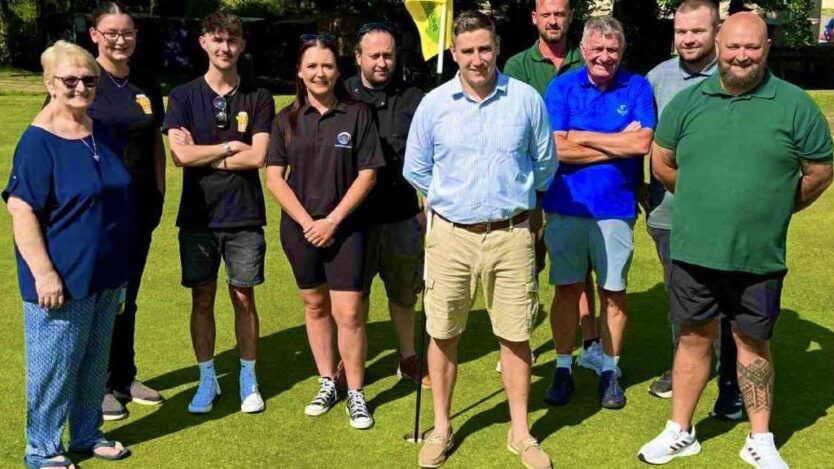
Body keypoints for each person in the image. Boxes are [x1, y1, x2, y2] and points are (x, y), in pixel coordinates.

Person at [638, 12, 833, 467]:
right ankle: (680, 431)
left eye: (752, 47)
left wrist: (773, 207)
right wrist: (704, 200)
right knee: (692, 337)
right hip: (693, 250)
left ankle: (759, 439)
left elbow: (819, 171)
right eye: (733, 46)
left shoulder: (795, 105)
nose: (741, 56)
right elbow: (661, 161)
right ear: (718, 47)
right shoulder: (688, 102)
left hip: (757, 255)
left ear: (767, 49)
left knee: (752, 342)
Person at [404, 11, 556, 469]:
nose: (477, 59)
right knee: (443, 333)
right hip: (450, 237)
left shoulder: (526, 100)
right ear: (454, 53)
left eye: (484, 49)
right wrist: (451, 202)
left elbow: (544, 165)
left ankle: (520, 432)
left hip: (512, 235)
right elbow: (417, 168)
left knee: (516, 335)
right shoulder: (434, 104)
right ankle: (442, 427)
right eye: (467, 51)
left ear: (497, 48)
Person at [5, 40, 131, 469]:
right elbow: (22, 210)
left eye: (89, 80)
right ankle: (41, 448)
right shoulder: (37, 142)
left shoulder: (99, 130)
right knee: (55, 367)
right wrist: (44, 273)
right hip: (61, 278)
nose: (80, 87)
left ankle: (86, 433)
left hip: (105, 272)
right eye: (70, 79)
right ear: (50, 83)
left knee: (93, 364)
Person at [265, 34, 384, 430]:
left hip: (345, 228)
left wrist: (331, 221)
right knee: (315, 306)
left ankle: (355, 391)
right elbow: (274, 178)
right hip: (300, 229)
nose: (320, 73)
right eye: (312, 66)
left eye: (327, 65)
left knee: (348, 312)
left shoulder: (358, 114)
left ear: (338, 70)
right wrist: (308, 223)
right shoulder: (286, 119)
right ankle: (327, 381)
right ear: (300, 72)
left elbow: (367, 174)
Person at [163, 11, 275, 415]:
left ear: (241, 45)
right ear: (204, 42)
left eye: (232, 40)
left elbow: (258, 156)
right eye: (217, 39)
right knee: (202, 298)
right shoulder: (182, 96)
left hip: (244, 214)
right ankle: (207, 378)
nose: (224, 47)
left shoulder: (258, 96)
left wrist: (203, 153)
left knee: (244, 297)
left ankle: (248, 376)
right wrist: (229, 148)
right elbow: (179, 155)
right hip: (198, 216)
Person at [541, 16, 655, 410]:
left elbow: (641, 144)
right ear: (584, 50)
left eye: (612, 50)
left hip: (616, 209)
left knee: (613, 292)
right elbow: (556, 148)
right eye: (598, 49)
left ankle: (610, 368)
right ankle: (563, 367)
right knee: (567, 290)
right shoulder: (562, 87)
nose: (605, 57)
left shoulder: (637, 86)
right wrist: (616, 141)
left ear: (621, 52)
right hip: (565, 205)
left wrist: (583, 136)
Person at [644, 0, 743, 420]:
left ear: (716, 32)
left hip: (726, 215)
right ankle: (682, 366)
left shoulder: (735, 73)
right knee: (681, 298)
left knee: (730, 300)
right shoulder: (657, 78)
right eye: (681, 31)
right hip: (669, 213)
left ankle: (731, 379)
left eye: (697, 31)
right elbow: (645, 140)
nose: (688, 39)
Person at [504, 0, 604, 375]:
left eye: (559, 13)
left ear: (570, 18)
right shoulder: (518, 66)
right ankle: (523, 344)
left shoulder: (587, 59)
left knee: (582, 267)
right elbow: (515, 127)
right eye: (546, 14)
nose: (553, 20)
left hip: (578, 184)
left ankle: (591, 342)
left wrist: (573, 139)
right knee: (524, 265)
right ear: (535, 19)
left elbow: (596, 121)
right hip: (531, 187)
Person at [85, 1, 166, 421]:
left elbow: (155, 143)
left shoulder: (146, 83)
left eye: (127, 32)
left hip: (140, 205)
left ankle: (123, 377)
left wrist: (159, 192)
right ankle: (97, 385)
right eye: (112, 32)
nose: (121, 40)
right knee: (101, 297)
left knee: (127, 296)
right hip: (98, 211)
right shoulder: (83, 80)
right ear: (94, 35)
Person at [345, 22, 430, 388]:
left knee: (403, 292)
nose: (382, 63)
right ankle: (352, 363)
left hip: (402, 214)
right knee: (355, 295)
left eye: (389, 56)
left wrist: (427, 206)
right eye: (375, 56)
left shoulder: (415, 98)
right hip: (354, 218)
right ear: (358, 57)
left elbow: (432, 155)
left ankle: (408, 357)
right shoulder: (341, 95)